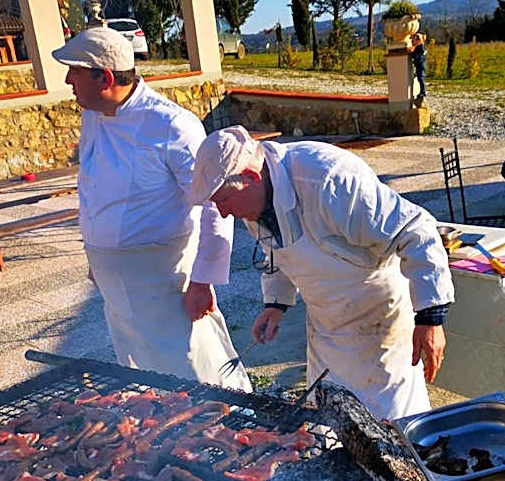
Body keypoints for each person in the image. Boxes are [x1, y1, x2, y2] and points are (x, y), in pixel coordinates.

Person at [190, 127, 455, 421]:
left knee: (391, 431)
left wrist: (431, 317)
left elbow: (415, 231)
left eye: (223, 202)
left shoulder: (328, 179)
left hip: (379, 323)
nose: (224, 214)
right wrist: (275, 304)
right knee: (327, 421)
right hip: (325, 329)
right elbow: (277, 251)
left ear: (251, 178)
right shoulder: (255, 198)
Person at [52, 27, 250, 390]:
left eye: (75, 71)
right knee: (139, 363)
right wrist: (98, 258)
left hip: (165, 274)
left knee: (192, 358)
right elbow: (94, 187)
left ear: (105, 77)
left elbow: (214, 204)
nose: (68, 80)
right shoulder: (93, 115)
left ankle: (232, 420)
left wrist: (204, 279)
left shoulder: (172, 125)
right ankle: (159, 428)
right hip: (114, 275)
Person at [409, 32, 427, 99]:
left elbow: (418, 56)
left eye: (413, 40)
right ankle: (422, 91)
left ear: (418, 40)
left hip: (421, 66)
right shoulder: (421, 47)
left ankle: (423, 92)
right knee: (420, 78)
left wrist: (412, 54)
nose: (412, 42)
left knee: (421, 78)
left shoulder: (420, 48)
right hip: (420, 66)